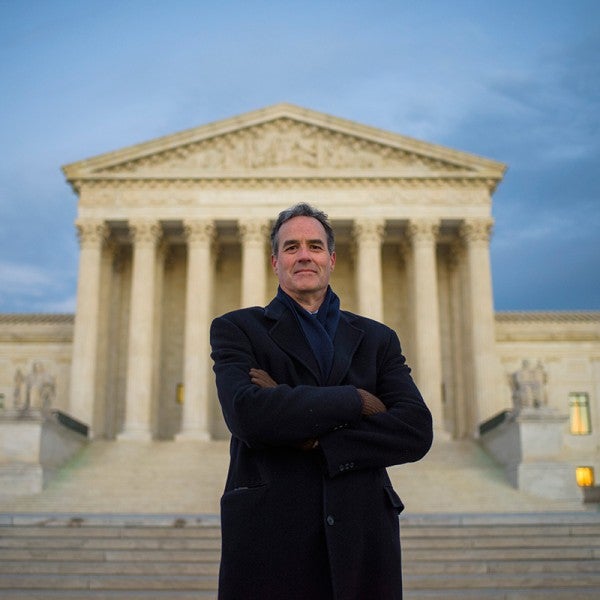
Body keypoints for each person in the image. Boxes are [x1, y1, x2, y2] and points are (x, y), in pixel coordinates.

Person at [210, 203, 433, 600]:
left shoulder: (378, 339)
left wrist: (309, 432)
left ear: (331, 259)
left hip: (362, 538)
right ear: (275, 262)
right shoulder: (238, 329)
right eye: (291, 247)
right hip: (270, 539)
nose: (304, 255)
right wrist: (357, 400)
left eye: (314, 246)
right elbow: (248, 416)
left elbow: (415, 430)